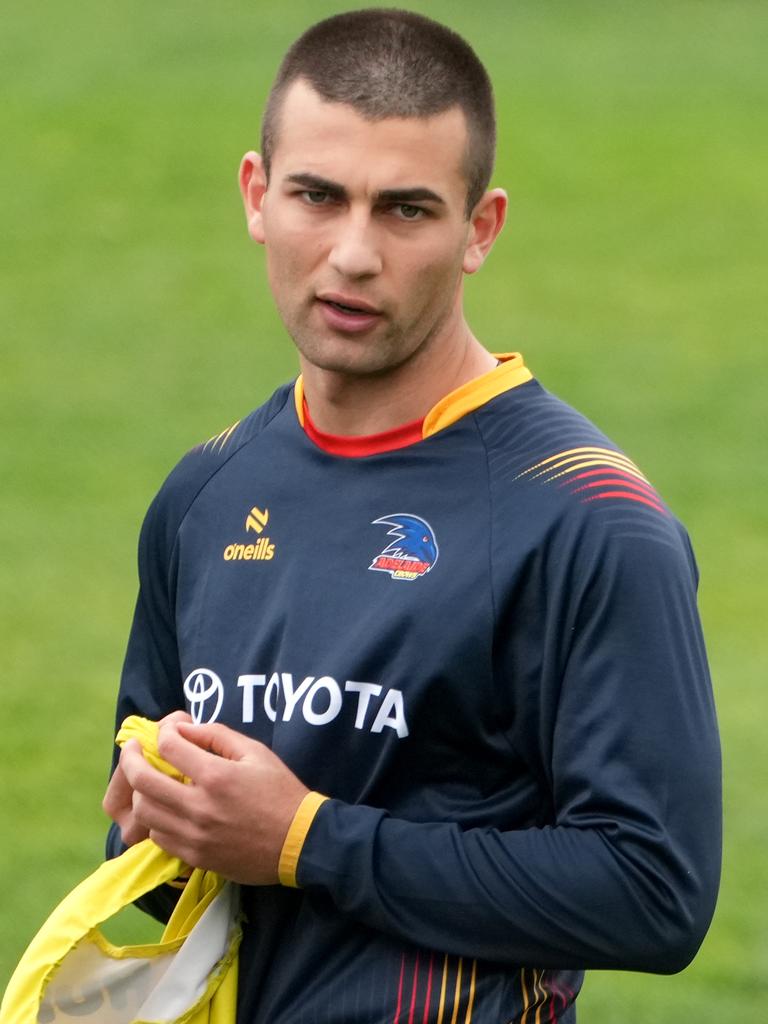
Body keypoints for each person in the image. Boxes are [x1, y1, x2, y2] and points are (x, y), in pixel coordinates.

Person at [103, 9, 722, 1022]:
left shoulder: (588, 522)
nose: (351, 254)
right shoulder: (204, 494)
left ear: (480, 229)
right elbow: (159, 858)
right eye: (317, 196)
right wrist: (157, 801)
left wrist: (306, 836)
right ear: (258, 196)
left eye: (405, 210)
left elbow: (655, 891)